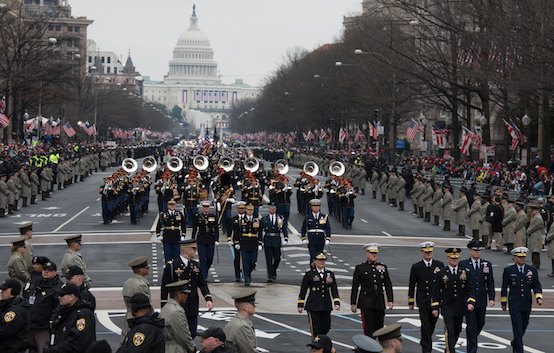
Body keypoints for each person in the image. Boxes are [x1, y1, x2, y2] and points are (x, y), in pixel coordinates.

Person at [161, 240, 213, 338]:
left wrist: (208, 298)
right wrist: (163, 305)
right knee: (178, 333)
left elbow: (202, 283)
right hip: (178, 305)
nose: (195, 251)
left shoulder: (195, 265)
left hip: (193, 304)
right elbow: (164, 286)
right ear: (187, 249)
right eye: (193, 249)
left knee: (192, 332)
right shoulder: (172, 265)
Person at [431, 248, 475, 353]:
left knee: (457, 330)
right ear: (448, 258)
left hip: (460, 307)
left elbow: (470, 289)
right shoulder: (441, 273)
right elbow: (436, 291)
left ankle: (449, 349)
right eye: (452, 258)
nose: (454, 260)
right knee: (450, 331)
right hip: (447, 307)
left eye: (456, 258)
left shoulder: (464, 272)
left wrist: (470, 302)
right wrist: (435, 307)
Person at [501, 247, 543, 353]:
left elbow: (536, 285)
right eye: (519, 257)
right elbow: (504, 287)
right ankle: (519, 350)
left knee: (524, 324)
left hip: (526, 302)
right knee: (517, 327)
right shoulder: (509, 270)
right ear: (514, 258)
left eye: (523, 257)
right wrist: (503, 302)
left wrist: (538, 297)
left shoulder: (531, 270)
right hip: (514, 303)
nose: (522, 259)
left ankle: (515, 342)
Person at [459, 240, 495, 353]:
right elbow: (461, 284)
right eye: (475, 250)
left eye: (479, 251)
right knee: (471, 325)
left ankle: (472, 338)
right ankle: (472, 349)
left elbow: (490, 282)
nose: (477, 253)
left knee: (481, 322)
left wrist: (492, 297)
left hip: (481, 298)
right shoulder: (464, 264)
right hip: (468, 300)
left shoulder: (486, 264)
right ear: (470, 251)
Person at [407, 242, 444, 353]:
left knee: (432, 324)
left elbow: (443, 283)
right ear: (422, 252)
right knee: (426, 325)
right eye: (426, 252)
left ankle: (424, 341)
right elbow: (412, 284)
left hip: (435, 301)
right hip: (423, 300)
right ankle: (426, 349)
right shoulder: (416, 266)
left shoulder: (439, 265)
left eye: (430, 252)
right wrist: (411, 300)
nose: (428, 254)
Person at [351, 243, 394, 338]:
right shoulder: (360, 268)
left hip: (379, 302)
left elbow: (388, 284)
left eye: (376, 253)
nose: (374, 255)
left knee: (380, 328)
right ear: (366, 253)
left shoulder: (382, 267)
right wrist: (353, 303)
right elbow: (355, 286)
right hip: (366, 303)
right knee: (368, 330)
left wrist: (390, 300)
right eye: (372, 253)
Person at [43, 283, 96, 353]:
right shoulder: (64, 311)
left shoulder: (83, 315)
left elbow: (78, 341)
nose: (59, 297)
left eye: (62, 295)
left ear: (71, 297)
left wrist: (54, 350)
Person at [297, 252, 340, 337]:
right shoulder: (309, 274)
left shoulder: (330, 274)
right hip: (313, 305)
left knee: (326, 327)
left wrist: (336, 302)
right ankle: (317, 347)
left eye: (323, 260)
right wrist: (300, 304)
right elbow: (303, 290)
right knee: (316, 328)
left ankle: (322, 344)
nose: (322, 262)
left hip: (326, 305)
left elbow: (334, 289)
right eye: (319, 260)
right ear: (315, 261)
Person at [29, 261, 63, 353]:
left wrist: (52, 322)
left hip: (44, 328)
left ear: (55, 272)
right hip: (31, 324)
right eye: (44, 269)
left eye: (49, 270)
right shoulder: (37, 282)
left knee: (44, 350)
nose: (46, 272)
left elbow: (59, 308)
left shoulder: (58, 288)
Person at [160, 280, 195, 353]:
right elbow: (183, 335)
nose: (186, 295)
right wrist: (192, 348)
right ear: (178, 294)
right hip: (176, 349)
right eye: (185, 293)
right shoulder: (176, 311)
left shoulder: (166, 307)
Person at [121, 256, 151, 338]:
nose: (148, 269)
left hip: (130, 317)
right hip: (139, 320)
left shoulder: (129, 282)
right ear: (140, 270)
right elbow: (145, 306)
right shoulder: (140, 285)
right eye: (146, 267)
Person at [234, 204, 263, 286]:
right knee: (245, 262)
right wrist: (237, 242)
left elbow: (259, 232)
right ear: (246, 210)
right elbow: (237, 233)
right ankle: (247, 279)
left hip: (253, 243)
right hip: (244, 243)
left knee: (253, 262)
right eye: (248, 210)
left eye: (252, 210)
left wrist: (260, 243)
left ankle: (247, 274)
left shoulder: (256, 220)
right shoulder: (241, 221)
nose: (250, 211)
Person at [260, 202, 288, 282]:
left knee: (277, 258)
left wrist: (285, 238)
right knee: (269, 259)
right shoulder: (264, 218)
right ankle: (270, 275)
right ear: (269, 209)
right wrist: (260, 241)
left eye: (274, 209)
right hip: (268, 239)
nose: (272, 210)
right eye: (271, 208)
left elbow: (284, 228)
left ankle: (273, 270)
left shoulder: (280, 218)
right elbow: (260, 230)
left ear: (276, 209)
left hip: (276, 239)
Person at [191, 200, 219, 281]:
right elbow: (195, 229)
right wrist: (193, 239)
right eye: (204, 207)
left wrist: (216, 239)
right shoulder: (198, 216)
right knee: (202, 258)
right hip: (201, 239)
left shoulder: (213, 216)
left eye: (207, 207)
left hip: (211, 239)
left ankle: (204, 271)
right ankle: (204, 276)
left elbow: (216, 228)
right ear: (202, 208)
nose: (206, 209)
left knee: (209, 258)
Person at [0, 279, 30, 353]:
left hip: (12, 349)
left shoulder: (16, 311)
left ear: (13, 291)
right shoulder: (6, 305)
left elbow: (4, 331)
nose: (1, 292)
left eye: (4, 290)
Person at [224, 288, 258, 353]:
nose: (255, 306)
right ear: (245, 307)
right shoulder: (243, 326)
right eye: (253, 304)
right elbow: (249, 351)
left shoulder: (236, 321)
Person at [228, 202, 246, 282]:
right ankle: (237, 275)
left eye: (242, 208)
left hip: (246, 241)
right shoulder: (233, 219)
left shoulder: (247, 218)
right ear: (237, 209)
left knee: (247, 259)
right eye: (240, 208)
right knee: (237, 259)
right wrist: (229, 239)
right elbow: (230, 230)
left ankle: (246, 272)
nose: (241, 210)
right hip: (236, 241)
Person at [526, 201, 545, 268]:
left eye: (532, 210)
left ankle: (536, 264)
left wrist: (528, 231)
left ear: (536, 210)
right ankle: (534, 263)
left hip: (536, 236)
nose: (531, 211)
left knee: (536, 250)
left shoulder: (538, 218)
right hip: (533, 236)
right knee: (533, 250)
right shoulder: (534, 217)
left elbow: (534, 227)